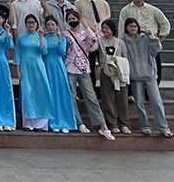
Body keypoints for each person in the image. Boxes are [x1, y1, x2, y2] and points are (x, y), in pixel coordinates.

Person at [63, 10, 114, 139]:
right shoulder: (64, 34)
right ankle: (78, 123)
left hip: (84, 69)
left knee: (91, 97)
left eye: (74, 18)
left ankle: (102, 125)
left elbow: (94, 40)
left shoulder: (85, 34)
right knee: (71, 97)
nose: (72, 21)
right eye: (69, 19)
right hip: (69, 68)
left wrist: (85, 24)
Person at [121, 18, 171, 137]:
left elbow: (157, 48)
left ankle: (163, 127)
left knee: (156, 101)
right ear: (126, 27)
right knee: (139, 103)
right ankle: (145, 126)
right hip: (135, 76)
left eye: (135, 26)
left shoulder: (145, 38)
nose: (133, 29)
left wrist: (151, 37)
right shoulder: (122, 41)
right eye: (130, 26)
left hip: (149, 74)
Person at [118, 0, 170, 84]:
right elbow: (121, 27)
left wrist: (161, 38)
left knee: (156, 64)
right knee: (134, 65)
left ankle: (154, 87)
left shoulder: (152, 9)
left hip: (148, 40)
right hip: (133, 41)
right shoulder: (125, 10)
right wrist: (121, 43)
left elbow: (165, 23)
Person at [13, 14, 53, 131]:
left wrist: (41, 37)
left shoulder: (42, 37)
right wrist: (17, 70)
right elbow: (17, 54)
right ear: (25, 24)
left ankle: (41, 124)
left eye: (33, 22)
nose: (31, 24)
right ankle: (28, 124)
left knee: (40, 93)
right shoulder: (21, 37)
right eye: (29, 22)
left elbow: (43, 51)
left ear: (37, 24)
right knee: (27, 94)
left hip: (38, 66)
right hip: (25, 67)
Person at [42, 15, 76, 133]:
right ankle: (53, 122)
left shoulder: (62, 38)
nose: (51, 27)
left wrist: (60, 39)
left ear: (57, 26)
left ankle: (65, 122)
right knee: (51, 93)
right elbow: (43, 52)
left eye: (53, 25)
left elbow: (62, 52)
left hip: (59, 65)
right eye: (48, 25)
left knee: (62, 93)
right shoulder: (45, 38)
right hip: (48, 66)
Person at [74, 0, 111, 89]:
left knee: (105, 63)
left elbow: (107, 18)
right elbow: (78, 19)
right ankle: (91, 88)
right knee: (90, 63)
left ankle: (106, 88)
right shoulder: (78, 3)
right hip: (89, 38)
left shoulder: (103, 3)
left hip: (102, 37)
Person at [97, 18, 131, 134]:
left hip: (119, 72)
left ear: (112, 29)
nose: (105, 30)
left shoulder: (120, 42)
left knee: (122, 98)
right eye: (103, 28)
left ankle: (124, 124)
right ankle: (112, 124)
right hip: (106, 71)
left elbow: (125, 56)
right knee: (108, 99)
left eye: (107, 28)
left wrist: (118, 60)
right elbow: (92, 49)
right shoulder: (99, 41)